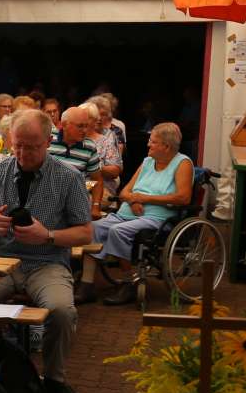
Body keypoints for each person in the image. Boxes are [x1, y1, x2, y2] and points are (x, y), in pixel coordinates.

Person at [0, 110, 94, 388]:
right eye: (18, 145)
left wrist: (47, 235)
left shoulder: (68, 177)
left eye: (32, 146)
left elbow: (86, 233)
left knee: (62, 311)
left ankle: (53, 379)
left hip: (47, 263)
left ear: (49, 141)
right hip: (2, 261)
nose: (23, 153)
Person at [80, 123, 191, 305]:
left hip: (157, 218)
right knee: (92, 228)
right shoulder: (147, 162)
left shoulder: (183, 163)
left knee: (118, 231)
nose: (148, 144)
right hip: (127, 213)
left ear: (166, 146)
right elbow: (124, 192)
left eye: (153, 142)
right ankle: (86, 284)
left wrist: (145, 199)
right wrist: (133, 200)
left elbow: (183, 197)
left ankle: (128, 281)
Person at [50, 105, 105, 206]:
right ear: (64, 125)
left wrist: (96, 206)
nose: (84, 131)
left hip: (75, 200)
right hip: (49, 196)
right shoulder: (48, 139)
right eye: (80, 126)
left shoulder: (89, 146)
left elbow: (96, 180)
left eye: (86, 126)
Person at [85, 96, 124, 193]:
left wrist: (94, 166)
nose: (99, 118)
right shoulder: (78, 135)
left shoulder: (111, 135)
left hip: (99, 183)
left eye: (103, 114)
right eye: (96, 115)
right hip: (80, 183)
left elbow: (116, 169)